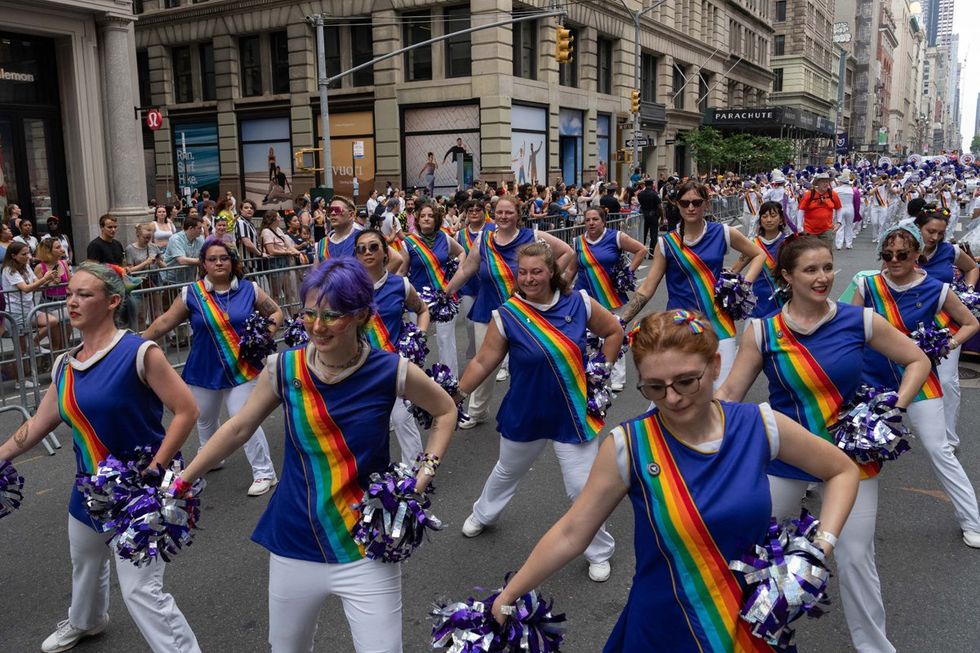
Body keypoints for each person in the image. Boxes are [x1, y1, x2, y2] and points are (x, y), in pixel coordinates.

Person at [491, 309, 859, 651]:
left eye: (686, 381)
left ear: (715, 366)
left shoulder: (759, 425)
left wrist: (816, 551)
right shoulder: (630, 445)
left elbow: (842, 470)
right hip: (663, 626)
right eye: (654, 387)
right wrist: (509, 595)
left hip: (749, 622)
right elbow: (573, 531)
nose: (671, 398)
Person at [175, 257, 455, 652]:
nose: (317, 326)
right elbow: (238, 428)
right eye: (309, 313)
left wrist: (421, 478)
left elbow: (445, 410)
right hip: (295, 540)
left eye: (331, 316)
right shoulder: (284, 367)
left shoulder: (390, 370)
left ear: (361, 315)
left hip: (364, 543)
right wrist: (183, 481)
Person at [715, 234, 939, 652]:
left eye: (827, 267)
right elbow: (730, 393)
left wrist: (891, 410)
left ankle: (875, 648)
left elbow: (918, 360)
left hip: (849, 460)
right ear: (786, 276)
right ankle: (738, 639)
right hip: (787, 456)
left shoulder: (859, 320)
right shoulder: (763, 331)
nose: (823, 277)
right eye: (811, 270)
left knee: (855, 557)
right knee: (750, 550)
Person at [0, 263, 201, 653]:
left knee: (141, 590)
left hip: (139, 496)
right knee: (86, 563)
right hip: (88, 491)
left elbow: (187, 410)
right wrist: (2, 454)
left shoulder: (139, 352)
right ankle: (87, 621)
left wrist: (156, 467)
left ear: (112, 302)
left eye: (84, 295)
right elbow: (37, 424)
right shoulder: (66, 364)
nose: (72, 302)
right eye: (69, 294)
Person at [456, 241, 623, 582]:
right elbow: (483, 361)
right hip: (526, 410)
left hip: (573, 411)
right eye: (523, 272)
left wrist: (600, 372)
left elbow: (613, 331)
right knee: (507, 470)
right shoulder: (507, 315)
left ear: (552, 272)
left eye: (537, 272)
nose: (529, 279)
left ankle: (598, 551)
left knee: (582, 487)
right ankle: (483, 513)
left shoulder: (579, 303)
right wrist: (455, 395)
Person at [851, 223, 980, 544]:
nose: (894, 260)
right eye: (887, 254)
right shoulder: (868, 286)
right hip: (873, 381)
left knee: (939, 448)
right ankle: (843, 514)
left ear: (917, 254)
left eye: (902, 254)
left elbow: (970, 323)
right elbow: (849, 329)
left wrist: (947, 344)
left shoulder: (936, 289)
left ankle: (972, 521)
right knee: (855, 446)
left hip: (920, 379)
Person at [144, 237, 281, 496]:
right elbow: (164, 322)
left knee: (244, 419)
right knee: (204, 418)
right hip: (203, 369)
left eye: (224, 258)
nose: (219, 263)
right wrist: (135, 345)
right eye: (212, 259)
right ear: (203, 264)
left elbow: (275, 312)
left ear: (232, 262)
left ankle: (264, 472)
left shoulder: (249, 289)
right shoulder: (192, 293)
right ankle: (212, 456)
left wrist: (266, 333)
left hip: (241, 368)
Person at [444, 196, 576, 427]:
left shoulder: (532, 237)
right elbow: (466, 269)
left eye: (509, 212)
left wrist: (550, 278)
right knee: (483, 362)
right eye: (499, 212)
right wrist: (446, 292)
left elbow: (566, 252)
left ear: (518, 215)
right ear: (493, 214)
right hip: (487, 310)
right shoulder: (484, 239)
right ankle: (476, 411)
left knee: (525, 364)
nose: (503, 217)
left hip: (523, 311)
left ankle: (530, 409)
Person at [622, 180, 765, 385]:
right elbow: (647, 287)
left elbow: (758, 254)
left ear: (706, 204)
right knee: (678, 393)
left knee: (722, 394)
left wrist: (740, 285)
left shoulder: (723, 233)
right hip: (680, 329)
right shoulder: (666, 243)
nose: (691, 207)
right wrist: (623, 320)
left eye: (697, 202)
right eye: (685, 202)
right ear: (677, 204)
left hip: (719, 326)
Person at [354, 229, 433, 462]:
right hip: (360, 367)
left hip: (394, 364)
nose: (367, 252)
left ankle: (416, 473)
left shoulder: (400, 285)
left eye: (373, 247)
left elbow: (422, 310)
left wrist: (419, 337)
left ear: (385, 253)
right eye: (361, 249)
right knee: (367, 424)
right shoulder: (347, 290)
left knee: (401, 418)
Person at [915, 208, 979, 450]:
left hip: (946, 324)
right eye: (930, 231)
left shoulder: (950, 250)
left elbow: (972, 268)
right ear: (918, 227)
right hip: (912, 323)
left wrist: (968, 291)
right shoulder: (905, 249)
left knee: (947, 380)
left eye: (940, 233)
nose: (935, 237)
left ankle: (949, 438)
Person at [573, 207, 646, 391]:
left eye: (595, 219)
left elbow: (641, 250)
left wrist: (628, 273)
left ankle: (617, 377)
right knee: (586, 337)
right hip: (585, 297)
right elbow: (572, 269)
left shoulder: (616, 237)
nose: (591, 223)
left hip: (610, 296)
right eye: (587, 219)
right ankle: (589, 375)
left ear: (603, 220)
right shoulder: (577, 242)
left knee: (614, 334)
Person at [401, 201, 466, 375]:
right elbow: (402, 272)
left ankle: (450, 380)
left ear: (436, 219)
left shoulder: (444, 237)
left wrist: (458, 270)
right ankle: (418, 381)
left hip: (444, 298)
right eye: (423, 216)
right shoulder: (408, 242)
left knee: (446, 340)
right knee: (418, 341)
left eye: (430, 216)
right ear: (417, 220)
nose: (426, 219)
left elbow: (461, 252)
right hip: (418, 302)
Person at [731, 201, 789, 319]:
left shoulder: (789, 243)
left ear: (781, 220)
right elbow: (735, 269)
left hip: (785, 302)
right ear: (760, 220)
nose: (769, 220)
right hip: (760, 303)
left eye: (773, 216)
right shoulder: (753, 245)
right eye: (764, 216)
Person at [455, 200, 488, 361]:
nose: (474, 213)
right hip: (469, 286)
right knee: (470, 323)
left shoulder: (492, 230)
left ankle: (494, 357)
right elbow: (456, 256)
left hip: (489, 285)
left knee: (492, 323)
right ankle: (475, 349)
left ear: (484, 212)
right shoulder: (460, 235)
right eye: (470, 211)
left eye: (478, 210)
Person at [259, 211, 301, 304]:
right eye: (278, 216)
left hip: (285, 262)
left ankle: (292, 312)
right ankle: (277, 312)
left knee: (289, 292)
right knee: (276, 294)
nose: (280, 218)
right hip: (274, 264)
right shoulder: (266, 232)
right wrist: (287, 252)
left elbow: (287, 245)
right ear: (273, 219)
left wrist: (296, 252)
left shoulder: (278, 229)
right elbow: (271, 250)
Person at [314, 195, 361, 262]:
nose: (333, 213)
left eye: (337, 210)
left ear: (350, 215)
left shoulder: (361, 237)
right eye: (331, 210)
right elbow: (316, 268)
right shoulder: (322, 244)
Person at [162, 215, 205, 285]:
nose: (202, 230)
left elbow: (203, 255)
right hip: (171, 281)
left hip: (188, 280)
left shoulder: (200, 239)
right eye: (199, 228)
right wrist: (203, 261)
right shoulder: (175, 239)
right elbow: (182, 260)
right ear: (191, 228)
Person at [33, 237, 71, 303]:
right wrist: (49, 282)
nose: (62, 249)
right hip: (48, 302)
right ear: (48, 251)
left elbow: (70, 282)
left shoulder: (64, 263)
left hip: (64, 301)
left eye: (61, 246)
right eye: (58, 247)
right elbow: (36, 288)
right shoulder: (40, 267)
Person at [636, 178, 662, 254]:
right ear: (651, 184)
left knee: (643, 234)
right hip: (653, 216)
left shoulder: (640, 194)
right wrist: (662, 217)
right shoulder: (654, 194)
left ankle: (641, 251)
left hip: (643, 216)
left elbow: (641, 204)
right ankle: (652, 252)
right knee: (653, 235)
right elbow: (660, 206)